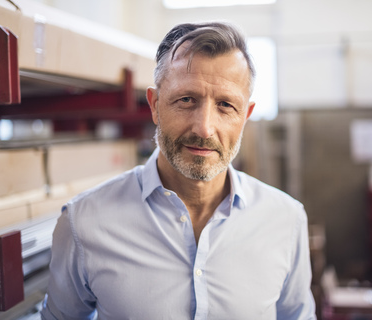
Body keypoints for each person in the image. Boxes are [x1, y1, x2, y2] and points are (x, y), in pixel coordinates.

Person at [41, 21, 316, 320]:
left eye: (225, 105)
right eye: (186, 100)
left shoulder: (285, 220)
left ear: (245, 116)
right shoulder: (85, 222)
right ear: (155, 105)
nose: (204, 127)